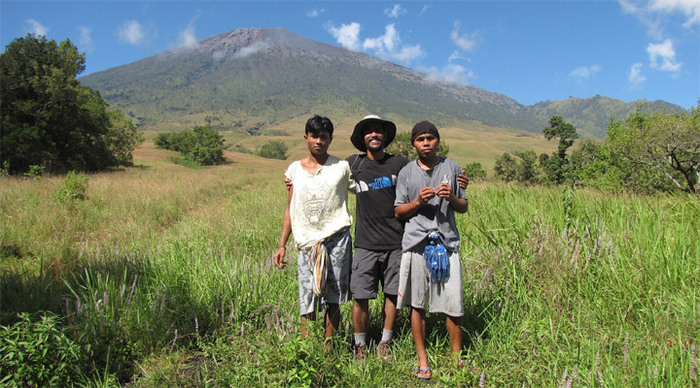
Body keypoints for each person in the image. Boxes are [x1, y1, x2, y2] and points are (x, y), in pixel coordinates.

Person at [346, 115, 469, 362]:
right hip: (368, 243)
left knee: (393, 294)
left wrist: (457, 188)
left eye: (378, 131)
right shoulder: (352, 164)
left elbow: (458, 198)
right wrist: (295, 179)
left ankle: (385, 342)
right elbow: (324, 171)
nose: (374, 135)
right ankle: (360, 344)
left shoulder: (400, 164)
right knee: (362, 295)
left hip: (397, 241)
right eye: (369, 131)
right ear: (362, 137)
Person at [394, 120, 469, 380]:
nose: (426, 142)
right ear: (413, 143)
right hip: (416, 244)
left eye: (430, 137)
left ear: (438, 140)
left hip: (447, 244)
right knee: (418, 304)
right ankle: (422, 360)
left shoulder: (452, 168)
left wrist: (450, 197)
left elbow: (463, 207)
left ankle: (456, 359)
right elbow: (398, 211)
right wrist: (418, 201)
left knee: (454, 303)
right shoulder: (406, 173)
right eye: (420, 139)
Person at [273, 115, 354, 347]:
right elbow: (290, 208)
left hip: (337, 239)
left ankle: (329, 347)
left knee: (334, 296)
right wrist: (281, 244)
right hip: (307, 243)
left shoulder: (341, 167)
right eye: (314, 136)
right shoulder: (294, 171)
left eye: (324, 137)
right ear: (306, 138)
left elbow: (363, 186)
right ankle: (307, 348)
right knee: (307, 296)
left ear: (330, 139)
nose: (319, 141)